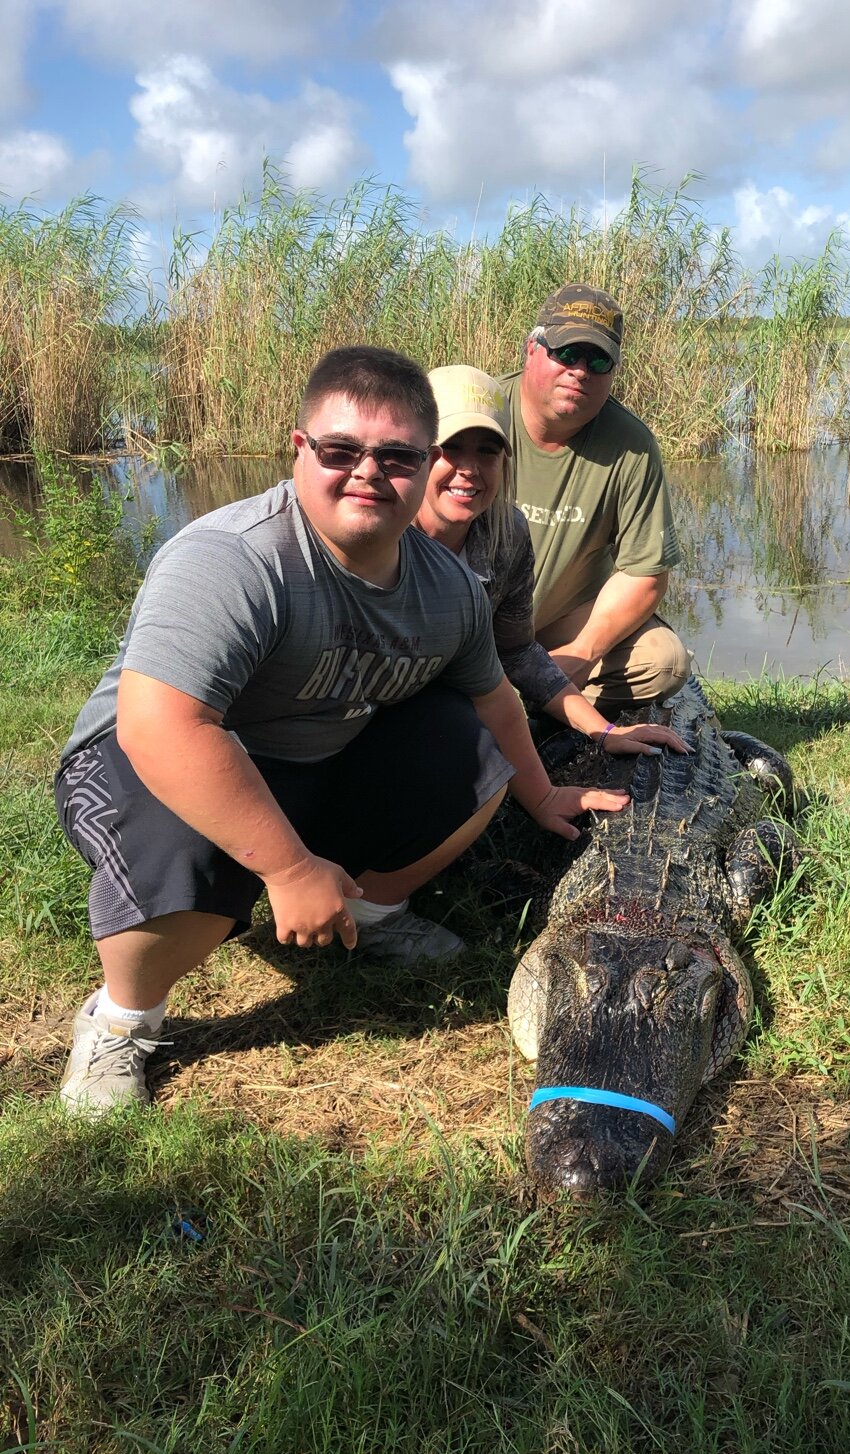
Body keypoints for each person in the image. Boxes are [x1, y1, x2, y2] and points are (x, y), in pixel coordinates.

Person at [54, 345, 630, 1116]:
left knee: (472, 743)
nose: (367, 472)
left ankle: (372, 908)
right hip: (136, 760)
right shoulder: (233, 559)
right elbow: (163, 728)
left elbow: (495, 699)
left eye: (395, 457)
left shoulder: (450, 587)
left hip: (312, 759)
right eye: (340, 450)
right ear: (301, 450)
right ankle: (124, 1017)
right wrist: (288, 870)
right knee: (195, 853)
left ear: (422, 465)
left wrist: (542, 793)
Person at [415, 364, 690, 756]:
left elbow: (518, 652)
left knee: (483, 761)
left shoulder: (507, 532)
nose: (470, 469)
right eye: (451, 448)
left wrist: (604, 732)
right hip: (373, 710)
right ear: (416, 452)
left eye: (488, 451)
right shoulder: (382, 532)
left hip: (477, 682)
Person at [500, 283, 692, 711]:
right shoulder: (484, 417)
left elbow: (644, 574)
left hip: (558, 623)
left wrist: (581, 654)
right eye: (566, 353)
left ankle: (546, 699)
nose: (580, 370)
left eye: (598, 359)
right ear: (532, 349)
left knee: (665, 663)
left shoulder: (632, 445)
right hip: (476, 621)